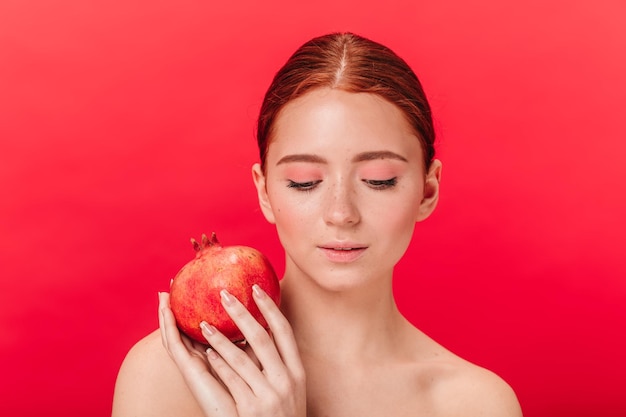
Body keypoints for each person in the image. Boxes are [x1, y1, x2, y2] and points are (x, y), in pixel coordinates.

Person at [112, 32, 523, 417]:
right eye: (304, 182)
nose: (341, 213)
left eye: (378, 179)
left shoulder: (475, 403)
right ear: (265, 192)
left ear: (428, 190)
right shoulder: (173, 375)